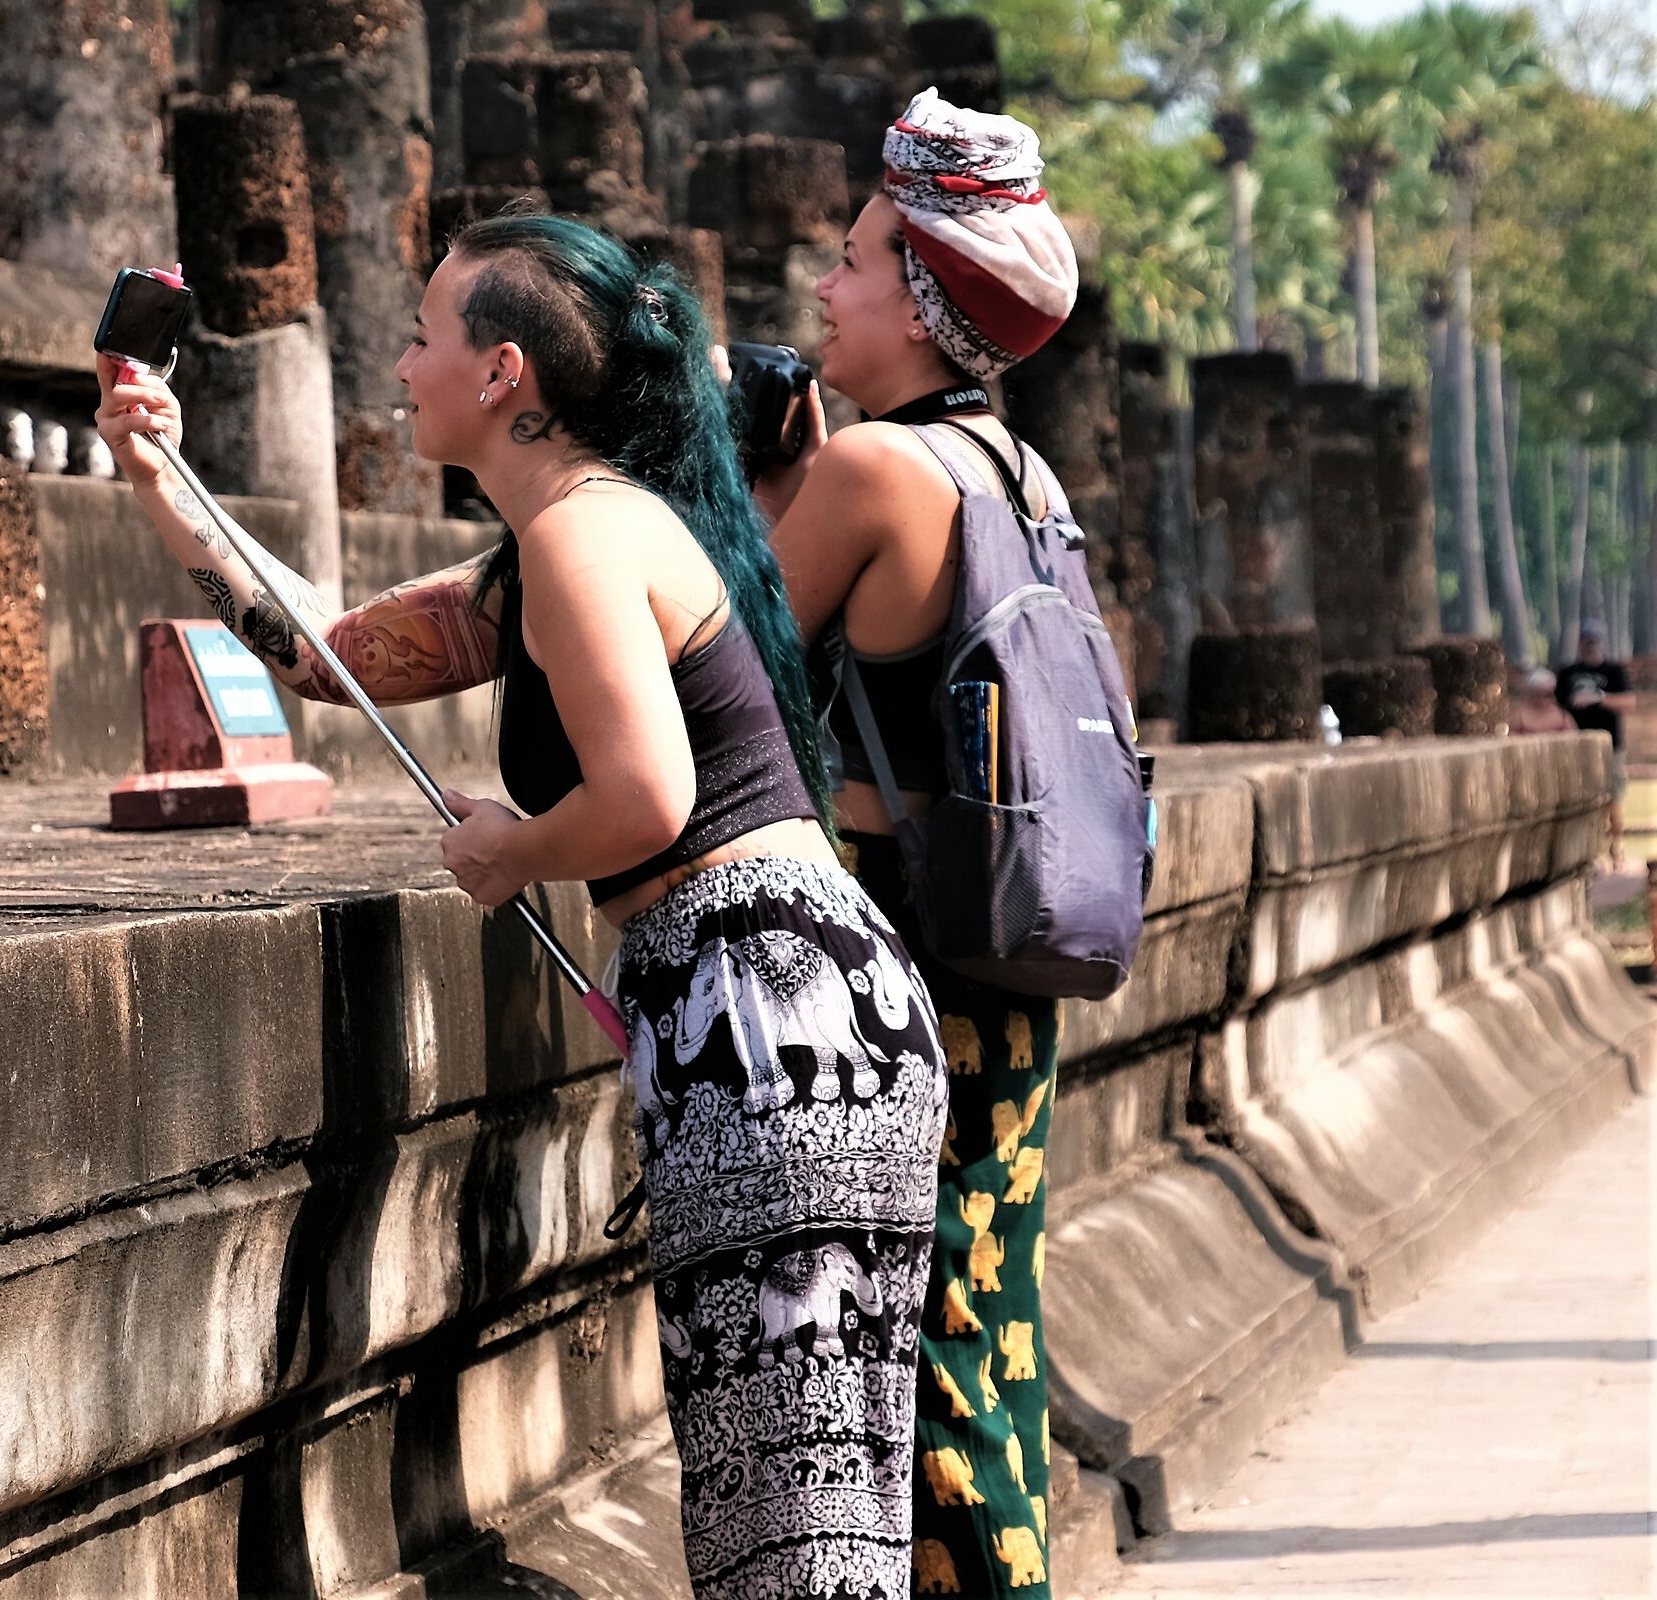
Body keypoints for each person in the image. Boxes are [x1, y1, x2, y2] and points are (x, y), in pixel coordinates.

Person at [98, 213, 948, 1597]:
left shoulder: (581, 538)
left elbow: (649, 799)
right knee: (817, 1516)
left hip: (765, 1018)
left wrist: (514, 850)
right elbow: (332, 654)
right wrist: (157, 473)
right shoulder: (578, 533)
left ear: (502, 373)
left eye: (422, 335)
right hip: (811, 1008)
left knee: (792, 1532)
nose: (401, 365)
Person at [755, 88, 1083, 1600]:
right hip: (1012, 930)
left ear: (924, 297)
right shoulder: (1018, 470)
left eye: (855, 257)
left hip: (899, 938)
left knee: (921, 1346)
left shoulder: (876, 472)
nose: (826, 284)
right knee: (987, 1324)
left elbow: (720, 660)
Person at [1555, 626, 1635, 859]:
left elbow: (1629, 703)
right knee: (1583, 798)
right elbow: (1557, 706)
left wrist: (1599, 698)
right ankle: (1591, 850)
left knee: (1613, 796)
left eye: (1593, 641)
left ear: (1600, 643)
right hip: (1577, 746)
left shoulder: (1614, 670)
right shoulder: (1568, 673)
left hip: (1611, 745)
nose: (1589, 645)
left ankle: (1616, 847)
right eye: (1585, 641)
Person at [1508, 667, 1576, 735]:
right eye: (1546, 695)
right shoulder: (1519, 717)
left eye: (1549, 694)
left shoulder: (1563, 717)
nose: (1544, 700)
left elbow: (1574, 738)